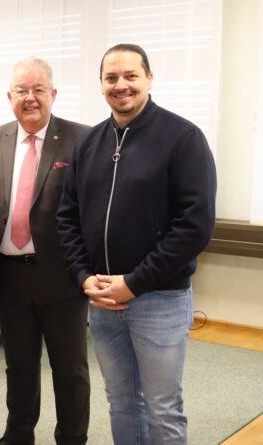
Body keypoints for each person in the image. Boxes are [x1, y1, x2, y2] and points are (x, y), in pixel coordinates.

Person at [57, 43, 216, 445]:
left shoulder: (183, 138)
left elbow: (194, 226)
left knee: (163, 408)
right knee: (122, 402)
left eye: (131, 75)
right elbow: (67, 218)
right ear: (101, 85)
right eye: (111, 77)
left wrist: (135, 282)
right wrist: (83, 277)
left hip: (159, 298)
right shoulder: (88, 144)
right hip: (102, 300)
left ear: (149, 78)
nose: (121, 85)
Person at [0, 57, 90, 445]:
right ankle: (18, 433)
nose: (30, 97)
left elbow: (91, 209)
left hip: (62, 277)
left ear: (53, 94)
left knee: (69, 369)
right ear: (9, 96)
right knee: (19, 364)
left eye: (38, 89)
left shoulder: (81, 139)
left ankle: (72, 438)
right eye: (21, 90)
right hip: (10, 275)